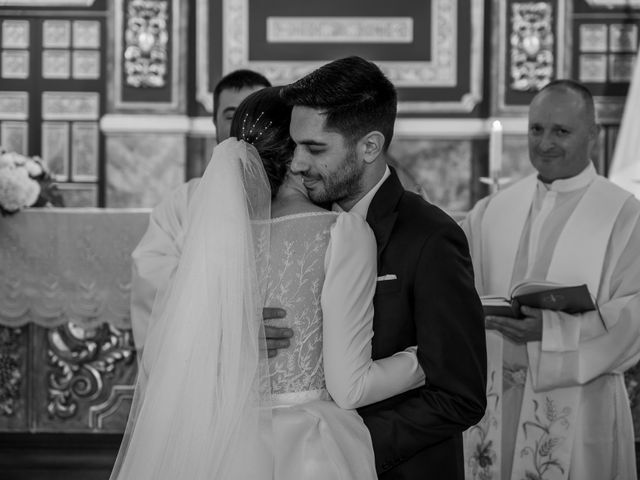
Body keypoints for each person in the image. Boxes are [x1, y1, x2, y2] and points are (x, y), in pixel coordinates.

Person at [110, 86, 428, 479]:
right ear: (296, 156)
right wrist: (422, 359)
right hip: (310, 447)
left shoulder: (219, 236)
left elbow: (182, 350)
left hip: (225, 446)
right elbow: (350, 386)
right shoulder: (341, 232)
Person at [278, 56, 487, 479]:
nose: (297, 164)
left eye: (315, 148)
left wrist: (340, 445)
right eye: (294, 145)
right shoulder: (294, 228)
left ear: (369, 146)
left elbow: (459, 394)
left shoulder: (430, 237)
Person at [461, 80, 640, 480]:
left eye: (561, 131)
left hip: (580, 405)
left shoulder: (624, 216)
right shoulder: (491, 210)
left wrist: (552, 330)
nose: (544, 143)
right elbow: (459, 287)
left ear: (592, 133)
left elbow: (633, 315)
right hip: (495, 401)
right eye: (536, 129)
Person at [129, 69, 270, 353]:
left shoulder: (303, 196)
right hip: (206, 361)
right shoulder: (183, 203)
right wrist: (229, 324)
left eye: (255, 115)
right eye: (232, 116)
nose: (244, 129)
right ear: (214, 122)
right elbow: (151, 279)